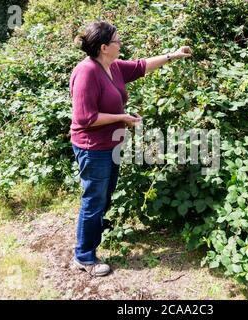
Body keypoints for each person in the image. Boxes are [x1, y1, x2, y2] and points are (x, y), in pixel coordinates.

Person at [69, 21, 192, 276]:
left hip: (109, 144)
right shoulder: (87, 72)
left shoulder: (111, 67)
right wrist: (122, 118)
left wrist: (173, 55)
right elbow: (85, 118)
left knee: (105, 193)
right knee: (93, 199)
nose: (120, 43)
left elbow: (141, 66)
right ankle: (84, 257)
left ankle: (97, 230)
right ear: (104, 47)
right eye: (117, 40)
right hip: (92, 147)